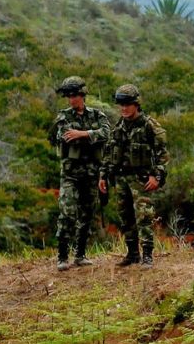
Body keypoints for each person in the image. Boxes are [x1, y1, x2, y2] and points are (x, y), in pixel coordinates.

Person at [98, 84, 169, 267]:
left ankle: (147, 255)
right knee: (125, 217)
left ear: (136, 104)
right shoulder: (119, 127)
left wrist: (157, 176)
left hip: (141, 180)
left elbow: (163, 154)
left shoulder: (149, 126)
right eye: (121, 104)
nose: (123, 108)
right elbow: (108, 154)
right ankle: (132, 254)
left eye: (127, 104)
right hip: (121, 179)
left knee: (144, 218)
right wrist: (103, 176)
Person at [48, 76, 111, 271]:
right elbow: (65, 136)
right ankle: (62, 256)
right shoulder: (64, 116)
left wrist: (83, 134)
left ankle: (80, 254)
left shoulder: (97, 115)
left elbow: (107, 133)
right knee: (67, 212)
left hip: (91, 173)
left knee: (87, 214)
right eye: (68, 95)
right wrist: (92, 135)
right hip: (70, 174)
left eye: (74, 95)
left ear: (82, 95)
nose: (71, 99)